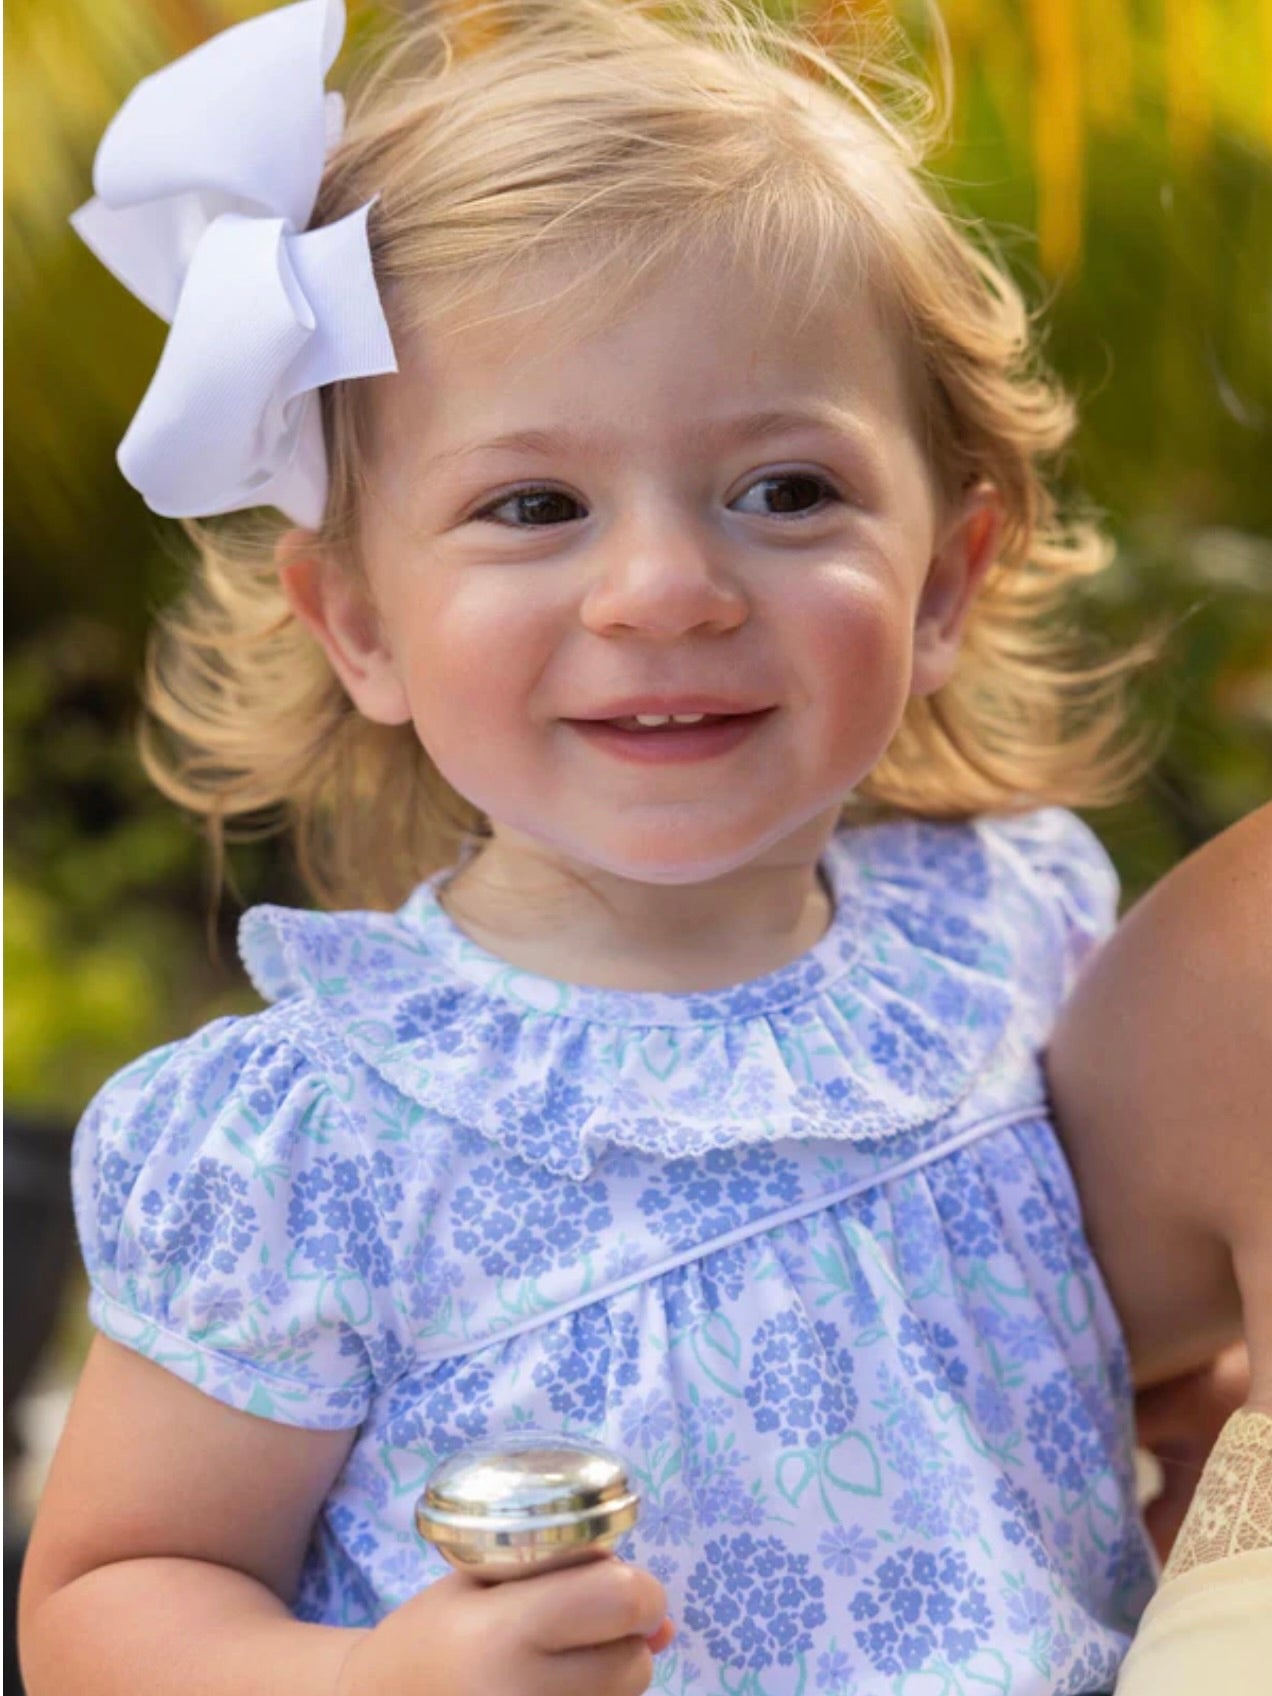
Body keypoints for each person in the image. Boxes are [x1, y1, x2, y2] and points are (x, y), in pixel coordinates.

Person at [16, 2, 1267, 1692]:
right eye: (536, 507)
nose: (665, 590)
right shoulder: (313, 1142)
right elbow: (112, 1594)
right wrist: (379, 1682)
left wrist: (1183, 1438)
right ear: (361, 627)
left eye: (785, 491)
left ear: (946, 580)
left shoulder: (1008, 938)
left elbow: (1075, 1359)